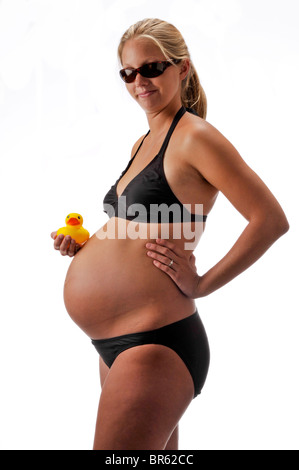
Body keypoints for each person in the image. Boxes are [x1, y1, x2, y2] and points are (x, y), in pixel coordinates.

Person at [51, 18, 289, 450]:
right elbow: (136, 228)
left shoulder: (195, 136)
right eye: (128, 73)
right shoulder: (143, 141)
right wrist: (87, 246)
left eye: (151, 68)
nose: (139, 81)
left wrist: (202, 283)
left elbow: (270, 220)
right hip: (115, 345)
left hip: (154, 341)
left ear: (182, 68)